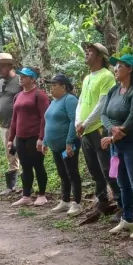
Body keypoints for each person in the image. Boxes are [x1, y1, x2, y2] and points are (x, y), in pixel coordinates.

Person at [101, 54, 133, 240]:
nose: (115, 69)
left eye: (120, 66)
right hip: (117, 142)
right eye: (115, 67)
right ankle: (128, 218)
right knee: (122, 182)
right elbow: (104, 114)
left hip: (132, 142)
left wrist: (117, 132)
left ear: (130, 69)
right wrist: (111, 128)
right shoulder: (113, 90)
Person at [75, 42, 121, 219]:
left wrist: (85, 123)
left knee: (108, 169)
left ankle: (121, 203)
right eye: (86, 51)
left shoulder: (107, 76)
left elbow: (102, 104)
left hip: (99, 129)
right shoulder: (87, 78)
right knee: (94, 170)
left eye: (91, 51)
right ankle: (102, 201)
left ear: (100, 56)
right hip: (85, 131)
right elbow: (81, 101)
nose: (87, 53)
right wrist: (78, 121)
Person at [8, 67, 50, 207]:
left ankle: (42, 195)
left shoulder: (39, 94)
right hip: (21, 137)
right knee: (25, 167)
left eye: (25, 76)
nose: (21, 78)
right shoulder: (18, 96)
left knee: (38, 165)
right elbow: (14, 119)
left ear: (33, 79)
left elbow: (45, 118)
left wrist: (41, 137)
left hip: (34, 136)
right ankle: (26, 196)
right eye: (20, 75)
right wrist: (10, 139)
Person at [44, 74, 83, 216]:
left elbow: (74, 121)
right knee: (62, 173)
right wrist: (45, 141)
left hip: (68, 145)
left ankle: (77, 203)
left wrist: (69, 141)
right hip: (56, 146)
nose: (51, 88)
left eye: (55, 85)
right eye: (51, 85)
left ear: (64, 87)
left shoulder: (70, 99)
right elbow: (48, 122)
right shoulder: (54, 101)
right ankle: (65, 200)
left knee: (72, 172)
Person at [0, 53, 22, 194]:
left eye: (2, 66)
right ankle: (12, 185)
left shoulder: (19, 81)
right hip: (4, 125)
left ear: (10, 66)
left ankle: (25, 185)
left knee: (21, 153)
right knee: (10, 154)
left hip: (19, 125)